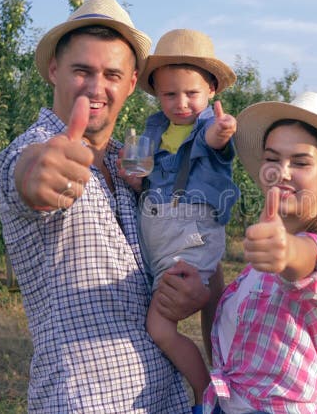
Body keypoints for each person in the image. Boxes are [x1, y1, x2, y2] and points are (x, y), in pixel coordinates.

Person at [0, 0, 218, 413]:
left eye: (112, 74)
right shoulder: (33, 149)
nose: (97, 87)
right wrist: (39, 174)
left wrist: (189, 291)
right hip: (84, 401)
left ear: (131, 84)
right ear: (54, 70)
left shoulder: (136, 163)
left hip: (164, 399)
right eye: (83, 70)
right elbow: (28, 174)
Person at [202, 91, 317, 413]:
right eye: (272, 158)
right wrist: (209, 278)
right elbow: (231, 354)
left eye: (300, 162)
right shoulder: (254, 267)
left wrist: (286, 250)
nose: (281, 172)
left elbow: (310, 259)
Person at [119, 28, 239, 408]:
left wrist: (223, 130)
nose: (181, 102)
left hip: (190, 233)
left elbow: (216, 144)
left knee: (159, 327)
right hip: (158, 233)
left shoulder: (207, 127)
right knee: (203, 314)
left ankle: (206, 396)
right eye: (170, 94)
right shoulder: (154, 131)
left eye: (192, 93)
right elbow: (149, 185)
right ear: (157, 94)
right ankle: (217, 384)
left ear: (212, 92)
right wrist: (136, 181)